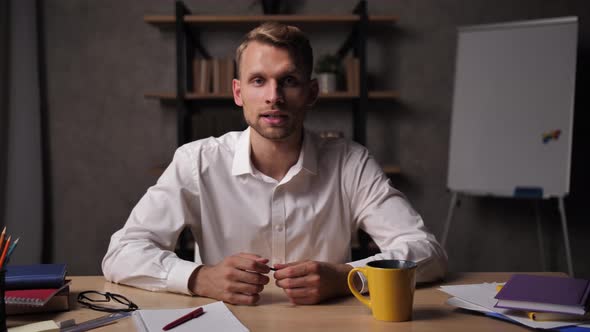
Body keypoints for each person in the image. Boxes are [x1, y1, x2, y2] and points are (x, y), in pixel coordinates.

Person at [102, 22, 447, 306]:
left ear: (311, 93)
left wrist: (347, 277)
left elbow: (427, 252)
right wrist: (199, 277)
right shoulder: (196, 162)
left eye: (289, 81)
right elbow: (122, 253)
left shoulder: (349, 162)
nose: (274, 96)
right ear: (238, 93)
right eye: (258, 80)